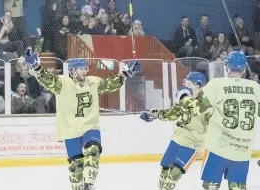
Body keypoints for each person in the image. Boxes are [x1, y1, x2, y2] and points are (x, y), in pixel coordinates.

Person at [24, 49, 139, 190]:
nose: (84, 71)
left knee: (93, 151)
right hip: (70, 130)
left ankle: (89, 185)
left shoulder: (92, 82)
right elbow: (48, 80)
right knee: (75, 168)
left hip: (90, 126)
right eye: (80, 69)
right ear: (72, 71)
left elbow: (110, 84)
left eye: (85, 68)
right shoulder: (63, 84)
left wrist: (126, 73)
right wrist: (36, 67)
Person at [143, 51, 260, 190]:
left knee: (210, 185)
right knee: (237, 186)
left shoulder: (217, 85)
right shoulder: (256, 88)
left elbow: (195, 107)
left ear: (227, 67)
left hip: (218, 149)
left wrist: (183, 99)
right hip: (242, 150)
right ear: (244, 68)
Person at [140, 72, 208, 190]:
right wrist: (154, 115)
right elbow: (172, 113)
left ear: (198, 85)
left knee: (173, 175)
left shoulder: (206, 102)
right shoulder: (185, 98)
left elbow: (195, 109)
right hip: (177, 140)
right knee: (164, 172)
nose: (186, 86)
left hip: (192, 144)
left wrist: (184, 99)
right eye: (185, 83)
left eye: (189, 83)